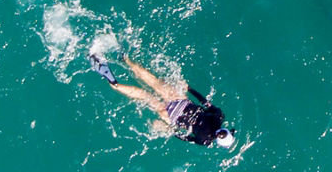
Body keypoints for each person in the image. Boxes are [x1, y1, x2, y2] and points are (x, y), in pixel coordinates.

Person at [88, 52, 235, 148]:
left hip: (181, 102)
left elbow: (204, 101)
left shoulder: (219, 116)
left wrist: (189, 88)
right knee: (145, 96)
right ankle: (115, 84)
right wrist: (167, 129)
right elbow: (184, 137)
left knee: (153, 82)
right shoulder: (204, 141)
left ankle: (125, 59)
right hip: (173, 117)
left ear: (226, 130)